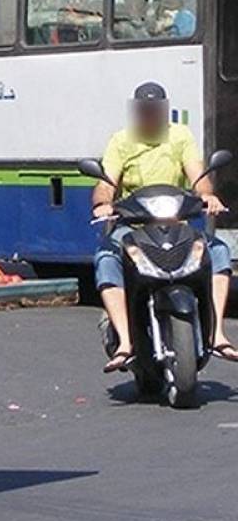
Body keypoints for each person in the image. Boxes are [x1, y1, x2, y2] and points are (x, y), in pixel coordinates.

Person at [92, 82, 237, 372]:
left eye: (155, 110)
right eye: (144, 111)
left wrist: (207, 196)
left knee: (219, 249)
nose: (150, 116)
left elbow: (198, 177)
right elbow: (105, 185)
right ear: (136, 112)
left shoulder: (179, 135)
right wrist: (103, 204)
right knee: (106, 258)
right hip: (134, 226)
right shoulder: (121, 141)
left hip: (176, 224)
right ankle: (124, 342)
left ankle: (217, 333)